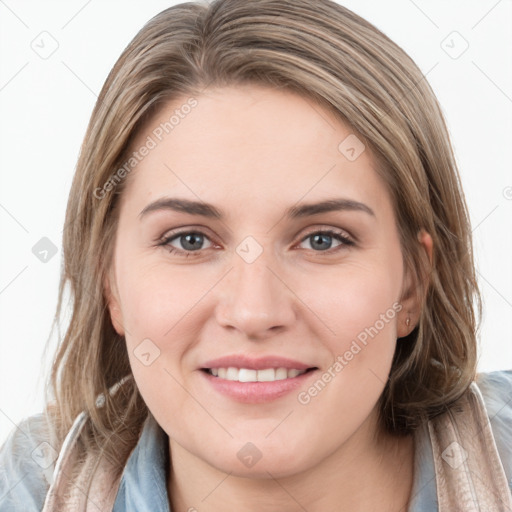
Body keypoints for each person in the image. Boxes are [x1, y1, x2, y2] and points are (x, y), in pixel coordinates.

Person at [1, 0, 511, 510]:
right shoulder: (28, 487)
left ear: (412, 284)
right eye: (189, 240)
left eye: (323, 239)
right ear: (109, 282)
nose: (254, 312)